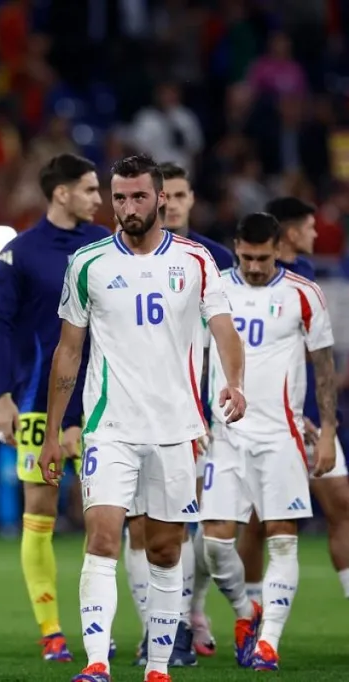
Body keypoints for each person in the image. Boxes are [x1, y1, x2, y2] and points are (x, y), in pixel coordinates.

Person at [40, 154, 246, 682]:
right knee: (103, 537)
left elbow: (224, 328)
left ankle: (158, 666)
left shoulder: (196, 260)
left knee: (164, 548)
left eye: (138, 196)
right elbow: (68, 351)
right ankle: (96, 663)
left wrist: (235, 382)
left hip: (177, 430)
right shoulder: (87, 263)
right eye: (120, 197)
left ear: (160, 199)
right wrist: (53, 430)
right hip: (109, 427)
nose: (128, 207)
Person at [0, 153, 110, 662]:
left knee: (107, 518)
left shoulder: (107, 247)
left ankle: (101, 627)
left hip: (102, 403)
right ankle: (52, 630)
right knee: (39, 513)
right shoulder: (18, 253)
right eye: (90, 189)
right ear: (62, 193)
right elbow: (0, 326)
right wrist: (2, 396)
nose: (99, 199)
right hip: (39, 403)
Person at [200, 212, 335, 671]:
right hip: (225, 434)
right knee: (215, 543)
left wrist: (328, 431)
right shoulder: (215, 288)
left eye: (262, 258)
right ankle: (246, 610)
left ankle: (269, 643)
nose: (254, 267)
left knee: (282, 539)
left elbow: (324, 367)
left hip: (281, 435)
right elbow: (195, 355)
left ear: (278, 249)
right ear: (236, 249)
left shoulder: (304, 293)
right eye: (246, 257)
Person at [125, 161, 237, 665]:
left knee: (188, 524)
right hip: (130, 411)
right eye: (161, 194)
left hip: (195, 411)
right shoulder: (118, 255)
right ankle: (156, 629)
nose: (169, 203)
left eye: (180, 195)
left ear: (189, 199)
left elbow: (227, 335)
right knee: (136, 525)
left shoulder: (214, 259)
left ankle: (189, 617)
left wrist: (223, 397)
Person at [235, 197, 349, 604]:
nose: (316, 234)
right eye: (310, 226)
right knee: (254, 520)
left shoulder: (305, 280)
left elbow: (316, 355)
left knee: (341, 503)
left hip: (308, 412)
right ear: (292, 231)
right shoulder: (239, 282)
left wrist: (325, 424)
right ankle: (251, 611)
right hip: (259, 419)